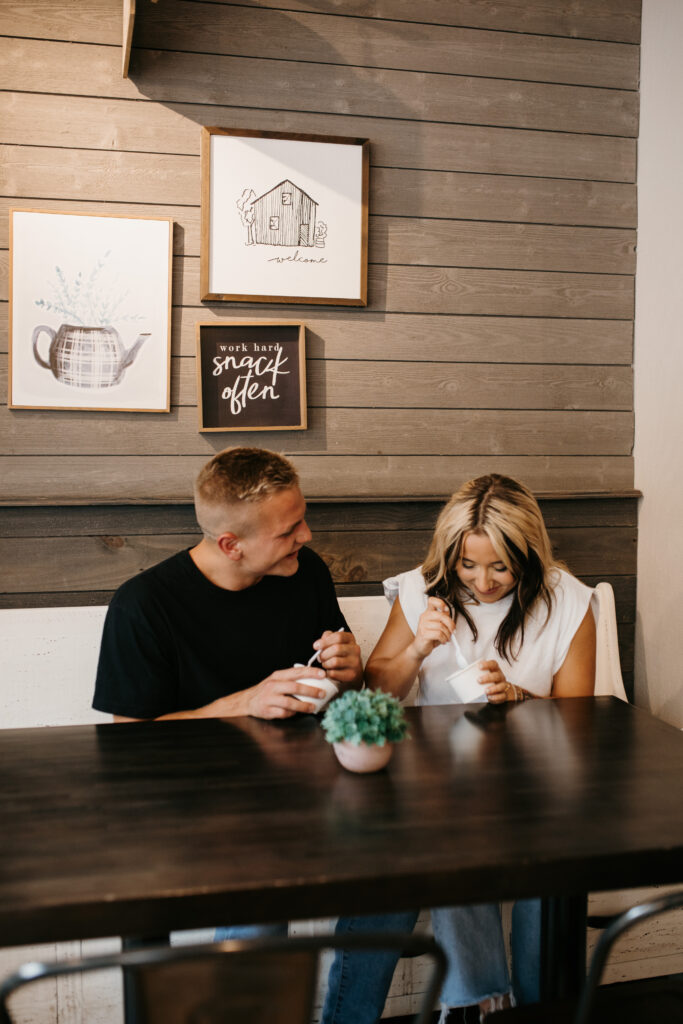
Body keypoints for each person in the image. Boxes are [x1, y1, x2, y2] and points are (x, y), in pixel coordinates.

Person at [325, 473, 596, 1023]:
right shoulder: (422, 588)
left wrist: (519, 695)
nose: (484, 581)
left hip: (535, 784)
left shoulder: (569, 601)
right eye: (468, 566)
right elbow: (377, 694)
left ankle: (527, 1008)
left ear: (530, 554)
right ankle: (480, 1005)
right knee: (452, 836)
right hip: (436, 787)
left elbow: (578, 720)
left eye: (501, 566)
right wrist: (420, 646)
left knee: (550, 873)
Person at [93, 446, 362, 722]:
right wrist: (243, 704)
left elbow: (345, 693)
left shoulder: (306, 569)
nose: (307, 534)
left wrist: (351, 674)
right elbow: (130, 737)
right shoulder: (141, 605)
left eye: (303, 518)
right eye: (287, 531)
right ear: (231, 546)